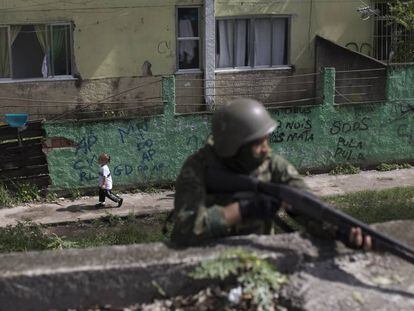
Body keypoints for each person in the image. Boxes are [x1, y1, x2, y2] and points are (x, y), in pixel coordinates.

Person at [170, 98, 371, 249]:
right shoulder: (198, 168)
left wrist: (338, 230)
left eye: (266, 140)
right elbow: (185, 230)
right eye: (258, 143)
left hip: (258, 256)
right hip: (207, 259)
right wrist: (243, 209)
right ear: (234, 146)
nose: (267, 149)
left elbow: (309, 204)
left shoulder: (272, 165)